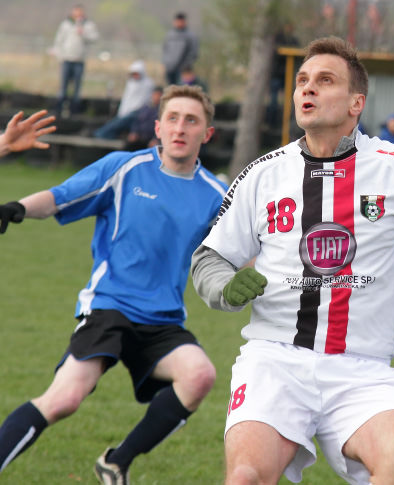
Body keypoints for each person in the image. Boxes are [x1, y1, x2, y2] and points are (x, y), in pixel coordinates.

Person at [191, 36, 394, 485]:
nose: (307, 90)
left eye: (324, 81)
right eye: (302, 82)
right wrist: (224, 287)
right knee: (247, 476)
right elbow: (209, 257)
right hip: (275, 361)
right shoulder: (263, 173)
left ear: (357, 103)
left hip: (363, 369)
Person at [0, 85, 227, 484]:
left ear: (206, 134)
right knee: (64, 399)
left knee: (200, 375)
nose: (180, 128)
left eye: (191, 121)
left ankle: (116, 462)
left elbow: (243, 249)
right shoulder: (125, 168)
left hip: (163, 319)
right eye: (172, 118)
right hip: (110, 306)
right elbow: (60, 197)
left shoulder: (215, 196)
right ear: (157, 127)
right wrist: (17, 208)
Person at [52, 3, 99, 116]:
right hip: (67, 59)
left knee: (77, 87)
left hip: (79, 60)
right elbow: (59, 41)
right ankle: (59, 110)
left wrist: (83, 33)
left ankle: (74, 111)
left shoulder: (88, 25)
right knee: (63, 86)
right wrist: (59, 55)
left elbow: (95, 38)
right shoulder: (66, 24)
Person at [94, 60, 155, 140]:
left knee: (121, 121)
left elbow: (143, 101)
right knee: (116, 122)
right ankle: (102, 134)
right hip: (127, 112)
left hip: (138, 112)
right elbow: (126, 100)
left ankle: (100, 134)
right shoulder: (131, 83)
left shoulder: (148, 84)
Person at [162, 12, 199, 85]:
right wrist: (166, 63)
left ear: (184, 22)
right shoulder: (170, 35)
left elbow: (193, 53)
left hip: (183, 70)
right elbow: (165, 50)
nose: (179, 23)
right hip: (170, 68)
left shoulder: (190, 36)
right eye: (177, 21)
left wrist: (185, 66)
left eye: (181, 21)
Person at [125, 85, 163, 151]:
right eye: (155, 94)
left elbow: (161, 127)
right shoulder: (145, 107)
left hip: (151, 139)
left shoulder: (162, 110)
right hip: (139, 137)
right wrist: (134, 132)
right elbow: (137, 121)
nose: (156, 97)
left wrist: (156, 139)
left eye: (158, 95)